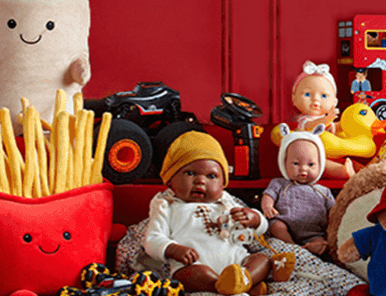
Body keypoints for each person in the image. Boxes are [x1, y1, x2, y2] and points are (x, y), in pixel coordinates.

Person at [144, 131, 292, 295]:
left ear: (222, 184)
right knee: (190, 275)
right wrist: (173, 249)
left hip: (237, 262)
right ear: (170, 180)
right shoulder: (166, 204)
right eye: (190, 173)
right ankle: (229, 286)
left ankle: (245, 279)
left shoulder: (225, 201)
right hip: (194, 265)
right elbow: (153, 239)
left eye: (211, 176)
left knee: (261, 260)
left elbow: (261, 229)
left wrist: (254, 219)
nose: (200, 180)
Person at [261, 125, 335, 255]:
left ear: (320, 165)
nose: (303, 169)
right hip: (285, 224)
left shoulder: (324, 191)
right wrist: (267, 205)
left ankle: (311, 248)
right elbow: (268, 195)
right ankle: (292, 247)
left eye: (311, 165)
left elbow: (334, 211)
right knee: (276, 226)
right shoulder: (279, 183)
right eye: (295, 164)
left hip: (313, 231)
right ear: (284, 163)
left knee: (321, 243)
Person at [291, 60, 354, 178]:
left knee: (350, 161)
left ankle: (362, 172)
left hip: (333, 153)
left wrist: (349, 123)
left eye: (323, 96)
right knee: (322, 164)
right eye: (307, 94)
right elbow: (310, 126)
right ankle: (343, 172)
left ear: (334, 102)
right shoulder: (304, 120)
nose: (316, 100)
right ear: (294, 99)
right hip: (312, 158)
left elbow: (337, 127)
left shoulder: (327, 120)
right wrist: (326, 119)